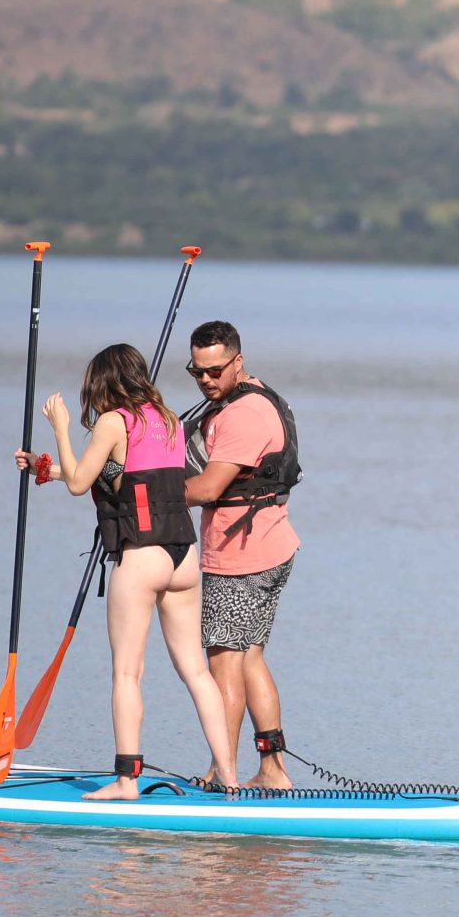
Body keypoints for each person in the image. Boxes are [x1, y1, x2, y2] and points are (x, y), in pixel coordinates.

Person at [16, 344, 243, 800]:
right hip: (182, 557)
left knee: (127, 674)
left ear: (103, 383)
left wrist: (60, 429)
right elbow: (118, 476)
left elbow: (81, 483)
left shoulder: (112, 421)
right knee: (197, 672)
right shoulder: (169, 419)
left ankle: (126, 780)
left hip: (141, 557)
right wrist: (44, 468)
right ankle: (230, 776)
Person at [180, 320, 301, 792]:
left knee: (224, 661)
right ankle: (272, 769)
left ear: (238, 361)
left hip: (241, 558)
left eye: (215, 370)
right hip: (272, 546)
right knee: (249, 657)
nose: (206, 380)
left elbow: (209, 488)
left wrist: (145, 496)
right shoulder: (254, 395)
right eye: (197, 371)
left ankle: (221, 772)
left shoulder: (241, 415)